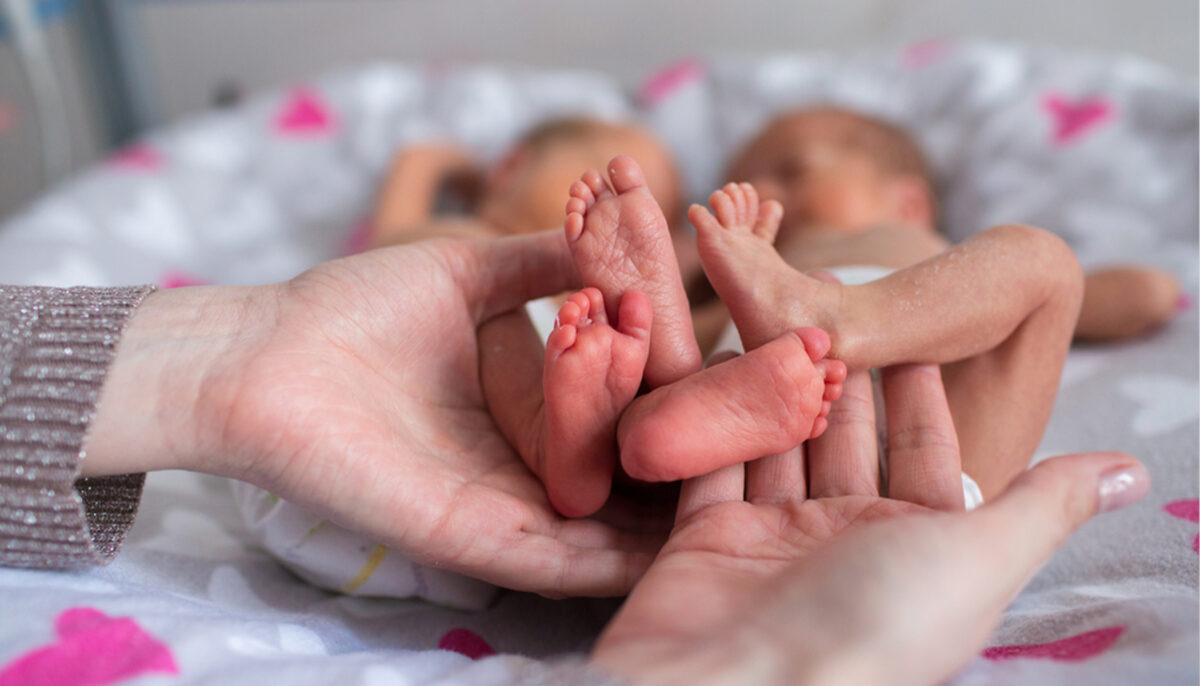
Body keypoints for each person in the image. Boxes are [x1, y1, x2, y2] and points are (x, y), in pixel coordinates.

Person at [0, 235, 1151, 684]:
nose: (780, 183)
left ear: (908, 195)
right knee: (1040, 263)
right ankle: (614, 430)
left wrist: (867, 297)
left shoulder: (915, 248)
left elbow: (1130, 290)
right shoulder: (722, 288)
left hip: (819, 454)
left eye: (813, 162)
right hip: (832, 487)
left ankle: (623, 431)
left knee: (1046, 261)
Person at [719, 106, 1182, 343]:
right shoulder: (736, 285)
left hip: (930, 442)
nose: (761, 194)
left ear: (907, 203)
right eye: (737, 188)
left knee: (1031, 258)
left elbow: (1145, 294)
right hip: (771, 438)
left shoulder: (948, 267)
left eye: (793, 171)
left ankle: (854, 320)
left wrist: (1060, 289)